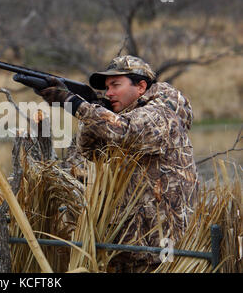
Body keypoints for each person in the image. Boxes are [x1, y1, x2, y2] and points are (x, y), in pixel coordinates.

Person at [37, 55, 199, 272]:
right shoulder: (120, 116)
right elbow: (89, 150)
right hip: (125, 245)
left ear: (141, 86)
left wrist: (74, 104)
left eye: (115, 85)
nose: (109, 93)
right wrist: (95, 109)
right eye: (106, 88)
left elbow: (126, 131)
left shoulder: (163, 114)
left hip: (161, 251)